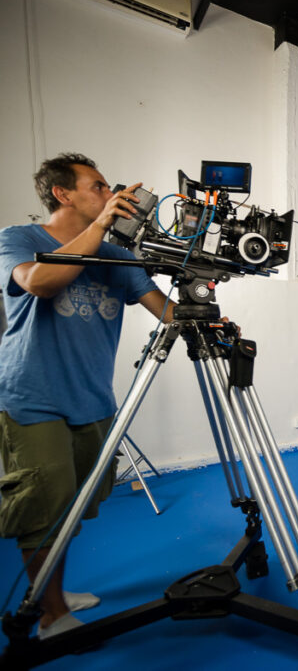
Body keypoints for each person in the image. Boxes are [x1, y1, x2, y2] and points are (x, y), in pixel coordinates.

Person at [0, 153, 175, 639]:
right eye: (98, 186)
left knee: (72, 505)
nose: (110, 192)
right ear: (63, 193)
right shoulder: (19, 239)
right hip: (32, 397)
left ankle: (51, 590)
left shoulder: (118, 256)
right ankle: (51, 613)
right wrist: (100, 225)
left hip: (92, 398)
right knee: (42, 507)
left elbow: (164, 310)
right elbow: (38, 282)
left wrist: (205, 305)